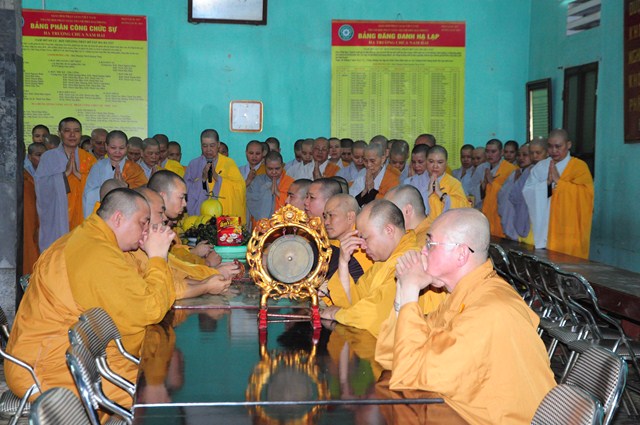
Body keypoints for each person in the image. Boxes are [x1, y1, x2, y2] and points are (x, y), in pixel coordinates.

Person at [375, 208, 555, 425]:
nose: (422, 251)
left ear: (461, 254)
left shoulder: (489, 309)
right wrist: (402, 291)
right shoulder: (463, 296)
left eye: (430, 244)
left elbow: (409, 374)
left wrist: (411, 288)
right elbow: (393, 357)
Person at [6, 188, 176, 408]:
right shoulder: (95, 252)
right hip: (48, 366)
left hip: (77, 354)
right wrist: (158, 258)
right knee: (156, 394)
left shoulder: (95, 240)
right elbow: (148, 310)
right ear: (118, 218)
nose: (146, 231)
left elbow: (145, 293)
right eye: (143, 223)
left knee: (161, 378)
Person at [320, 200, 445, 337]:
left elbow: (376, 317)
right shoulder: (382, 262)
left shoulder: (409, 261)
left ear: (389, 230)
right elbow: (354, 303)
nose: (362, 246)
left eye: (366, 238)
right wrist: (343, 263)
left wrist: (336, 314)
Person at [134, 187, 233, 299]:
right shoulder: (132, 251)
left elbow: (175, 277)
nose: (185, 204)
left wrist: (209, 278)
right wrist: (207, 281)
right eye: (160, 213)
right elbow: (163, 292)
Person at [523, 129, 594, 258]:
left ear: (568, 145)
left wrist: (559, 182)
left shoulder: (579, 167)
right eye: (550, 146)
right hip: (544, 225)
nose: (554, 150)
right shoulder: (540, 167)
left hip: (568, 227)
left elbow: (586, 196)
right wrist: (547, 185)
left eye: (558, 146)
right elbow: (528, 192)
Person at [35, 117, 97, 251]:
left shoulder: (89, 158)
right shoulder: (48, 157)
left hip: (82, 217)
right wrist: (64, 175)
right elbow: (41, 187)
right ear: (60, 133)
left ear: (81, 134)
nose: (72, 135)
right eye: (67, 131)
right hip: (58, 216)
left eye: (76, 131)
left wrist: (79, 175)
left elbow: (97, 189)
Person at [149, 170, 230, 270]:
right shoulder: (151, 230)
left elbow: (176, 253)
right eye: (181, 198)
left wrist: (194, 252)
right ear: (162, 196)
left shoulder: (166, 225)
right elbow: (175, 269)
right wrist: (206, 263)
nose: (185, 204)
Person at [321, 193, 374, 307]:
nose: (326, 222)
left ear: (350, 217)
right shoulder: (332, 242)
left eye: (331, 215)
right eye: (325, 216)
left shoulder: (361, 249)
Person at [185, 129, 246, 222]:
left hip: (225, 218)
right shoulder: (194, 164)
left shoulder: (229, 163)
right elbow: (186, 191)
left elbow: (240, 188)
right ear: (201, 146)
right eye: (205, 146)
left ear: (218, 145)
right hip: (200, 217)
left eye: (212, 145)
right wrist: (203, 180)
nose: (208, 149)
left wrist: (217, 177)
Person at [82, 130, 148, 218]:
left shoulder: (135, 169)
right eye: (113, 148)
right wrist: (109, 187)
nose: (117, 152)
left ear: (127, 147)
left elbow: (144, 193)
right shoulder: (98, 167)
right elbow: (88, 194)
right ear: (106, 146)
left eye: (121, 148)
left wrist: (126, 188)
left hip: (127, 215)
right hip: (101, 214)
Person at [407, 146, 468, 217]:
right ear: (426, 161)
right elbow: (409, 207)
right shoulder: (415, 182)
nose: (435, 166)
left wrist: (441, 194)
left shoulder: (454, 183)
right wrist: (428, 193)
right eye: (431, 161)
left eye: (440, 162)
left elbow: (464, 207)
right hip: (422, 223)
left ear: (446, 163)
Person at [481, 139, 517, 237]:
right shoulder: (483, 168)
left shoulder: (511, 169)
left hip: (501, 216)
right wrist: (484, 185)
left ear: (501, 152)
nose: (490, 155)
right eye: (487, 151)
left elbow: (508, 195)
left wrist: (492, 182)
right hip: (488, 213)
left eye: (493, 152)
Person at [498, 143, 534, 242]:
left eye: (525, 155)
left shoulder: (533, 173)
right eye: (519, 155)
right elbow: (503, 197)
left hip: (526, 226)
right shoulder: (515, 172)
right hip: (509, 222)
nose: (521, 158)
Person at [246, 151, 294, 225]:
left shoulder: (290, 183)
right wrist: (264, 190)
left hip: (282, 225)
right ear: (265, 167)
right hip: (260, 225)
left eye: (277, 169)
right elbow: (250, 202)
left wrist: (278, 194)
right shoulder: (257, 181)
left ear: (282, 166)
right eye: (270, 169)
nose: (274, 172)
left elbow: (295, 205)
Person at [23, 143, 47, 274]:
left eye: (45, 155)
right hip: (29, 222)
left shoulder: (51, 173)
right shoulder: (25, 178)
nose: (42, 159)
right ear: (28, 157)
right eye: (38, 155)